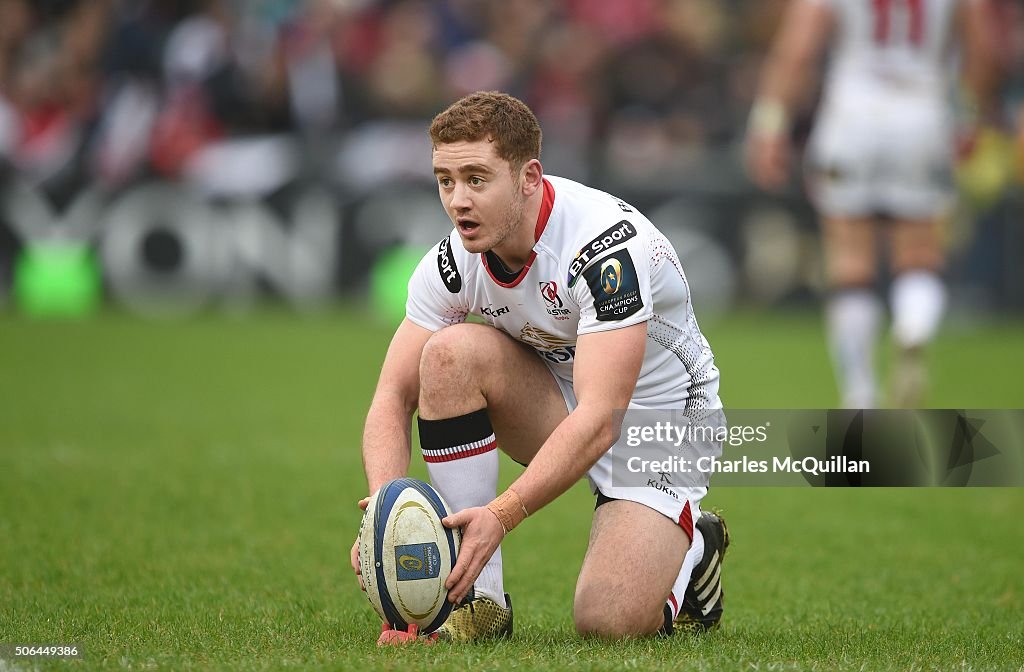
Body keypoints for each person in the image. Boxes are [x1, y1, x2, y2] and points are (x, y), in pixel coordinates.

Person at [349, 91, 728, 642]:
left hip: (655, 426)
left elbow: (601, 419)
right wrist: (382, 515)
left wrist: (501, 513)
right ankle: (477, 604)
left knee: (607, 622)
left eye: (477, 179)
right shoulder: (454, 261)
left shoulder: (604, 250)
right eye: (445, 180)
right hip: (561, 403)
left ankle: (694, 549)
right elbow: (391, 395)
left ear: (529, 177)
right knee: (450, 355)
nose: (458, 201)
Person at [745, 0, 996, 408]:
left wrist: (769, 126)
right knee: (920, 253)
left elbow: (797, 51)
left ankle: (860, 391)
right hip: (923, 114)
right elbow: (983, 48)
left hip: (850, 115)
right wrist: (971, 117)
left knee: (849, 260)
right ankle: (913, 328)